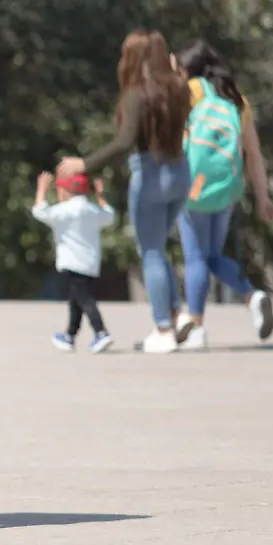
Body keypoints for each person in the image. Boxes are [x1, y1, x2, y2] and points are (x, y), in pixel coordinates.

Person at [57, 29, 192, 354]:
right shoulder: (176, 89)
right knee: (159, 248)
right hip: (180, 172)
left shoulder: (137, 93)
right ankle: (177, 312)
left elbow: (124, 141)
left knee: (151, 252)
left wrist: (84, 164)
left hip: (151, 173)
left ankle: (162, 329)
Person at [171, 40, 273, 350]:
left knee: (195, 258)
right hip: (228, 189)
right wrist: (263, 198)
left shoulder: (186, 95)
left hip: (193, 187)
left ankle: (198, 327)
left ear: (188, 70)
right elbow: (253, 154)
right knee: (212, 256)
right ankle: (251, 296)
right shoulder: (236, 100)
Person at [32, 171, 116, 353]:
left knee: (85, 299)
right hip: (91, 263)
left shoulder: (64, 211)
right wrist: (100, 196)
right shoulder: (93, 210)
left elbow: (39, 211)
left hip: (72, 263)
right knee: (76, 299)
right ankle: (70, 336)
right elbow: (109, 215)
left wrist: (41, 190)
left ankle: (101, 332)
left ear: (64, 191)